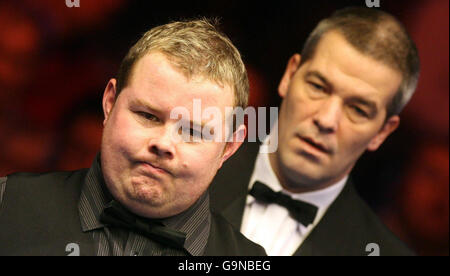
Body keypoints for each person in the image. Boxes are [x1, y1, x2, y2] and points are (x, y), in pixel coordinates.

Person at [0, 19, 266, 256]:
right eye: (148, 116)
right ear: (109, 103)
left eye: (193, 131)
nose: (163, 143)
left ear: (228, 147)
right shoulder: (6, 206)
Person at [210, 7, 419, 256]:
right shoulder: (181, 171)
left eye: (358, 110)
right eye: (318, 86)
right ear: (290, 75)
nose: (326, 120)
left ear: (382, 132)